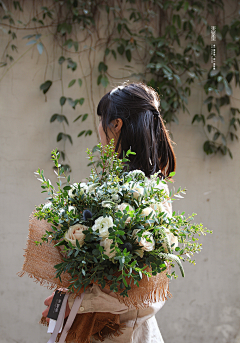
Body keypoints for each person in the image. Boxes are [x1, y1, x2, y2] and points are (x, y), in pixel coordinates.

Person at [42, 82, 176, 342]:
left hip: (123, 333)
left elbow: (145, 291)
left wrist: (78, 303)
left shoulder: (146, 193)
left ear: (115, 125)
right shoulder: (130, 187)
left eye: (102, 123)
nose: (99, 134)